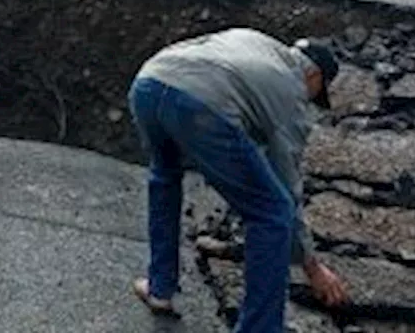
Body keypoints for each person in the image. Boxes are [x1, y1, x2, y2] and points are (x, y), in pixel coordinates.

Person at [127, 29, 349, 332]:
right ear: (314, 77)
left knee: (165, 175)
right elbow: (286, 183)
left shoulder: (255, 42)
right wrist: (311, 266)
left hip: (149, 83)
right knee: (273, 213)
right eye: (316, 94)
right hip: (198, 106)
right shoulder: (292, 93)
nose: (310, 101)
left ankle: (160, 288)